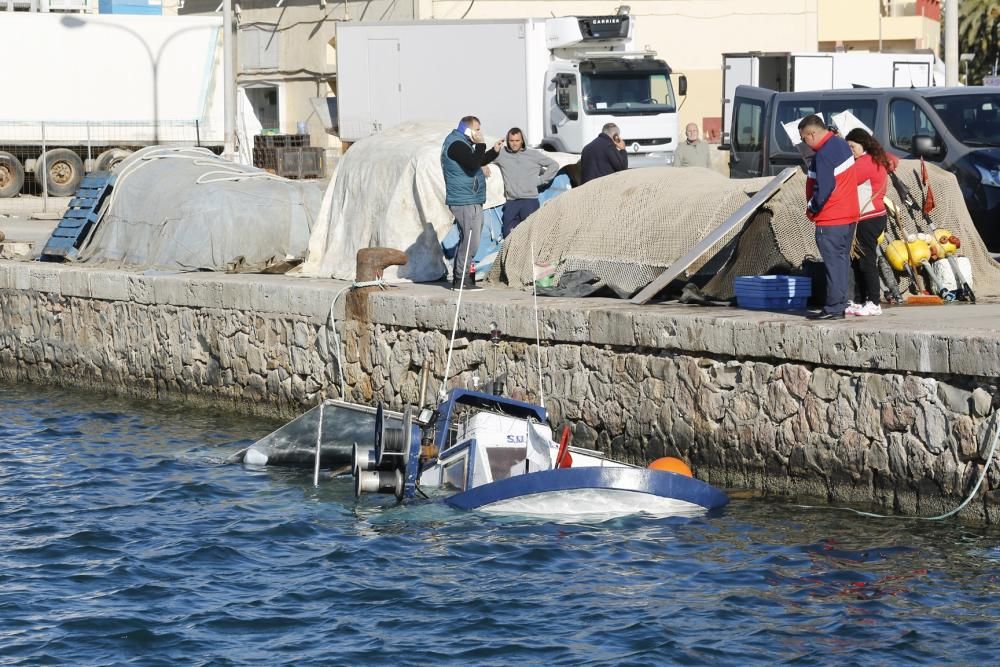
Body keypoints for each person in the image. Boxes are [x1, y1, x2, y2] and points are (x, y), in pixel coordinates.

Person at [798, 114, 860, 320]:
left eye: (804, 138)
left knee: (833, 263)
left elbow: (824, 188)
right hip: (849, 216)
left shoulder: (823, 155)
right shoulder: (841, 145)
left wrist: (812, 208)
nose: (804, 143)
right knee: (842, 262)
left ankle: (833, 307)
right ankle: (841, 303)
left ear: (812, 134)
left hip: (831, 219)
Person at [441, 115, 503, 290]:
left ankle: (464, 277)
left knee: (469, 239)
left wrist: (493, 152)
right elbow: (473, 162)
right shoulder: (456, 144)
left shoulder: (461, 144)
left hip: (470, 199)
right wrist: (481, 143)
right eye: (477, 129)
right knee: (471, 241)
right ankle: (461, 279)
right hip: (464, 200)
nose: (479, 133)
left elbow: (475, 161)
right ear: (467, 129)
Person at [845, 128, 897, 317]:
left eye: (852, 146)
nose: (850, 150)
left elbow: (846, 180)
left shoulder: (865, 163)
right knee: (859, 259)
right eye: (847, 146)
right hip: (870, 217)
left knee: (866, 261)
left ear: (863, 145)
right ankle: (860, 301)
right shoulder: (874, 159)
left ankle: (874, 302)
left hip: (869, 217)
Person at [492, 127, 560, 238]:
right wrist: (484, 164)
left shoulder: (533, 154)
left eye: (517, 140)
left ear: (522, 140)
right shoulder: (502, 154)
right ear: (508, 141)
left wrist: (541, 180)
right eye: (511, 141)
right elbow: (483, 159)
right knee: (508, 235)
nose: (514, 144)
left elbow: (554, 165)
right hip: (511, 202)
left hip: (530, 201)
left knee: (532, 235)